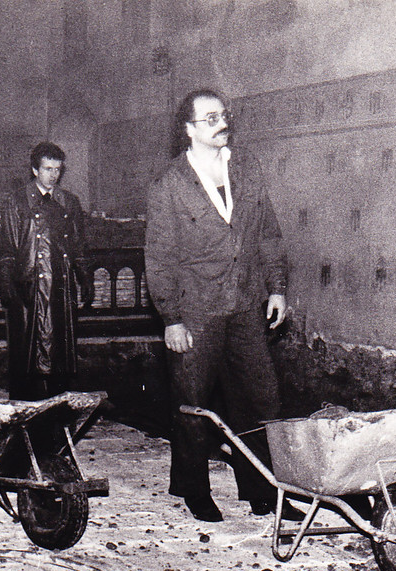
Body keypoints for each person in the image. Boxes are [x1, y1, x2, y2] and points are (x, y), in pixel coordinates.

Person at [145, 88, 295, 524]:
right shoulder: (169, 183)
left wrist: (277, 288)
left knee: (260, 398)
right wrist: (171, 318)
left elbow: (268, 233)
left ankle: (261, 488)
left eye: (223, 115)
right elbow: (160, 256)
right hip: (196, 309)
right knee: (193, 403)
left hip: (245, 303)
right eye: (210, 118)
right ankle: (194, 489)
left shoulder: (246, 168)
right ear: (188, 129)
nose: (222, 123)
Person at [0, 141, 88, 401]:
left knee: (59, 356)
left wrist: (84, 275)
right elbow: (5, 247)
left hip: (60, 288)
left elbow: (78, 243)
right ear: (35, 170)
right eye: (48, 169)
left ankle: (57, 411)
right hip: (28, 290)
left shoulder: (69, 202)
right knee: (27, 358)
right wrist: (5, 282)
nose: (53, 175)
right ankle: (25, 411)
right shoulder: (16, 202)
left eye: (57, 169)